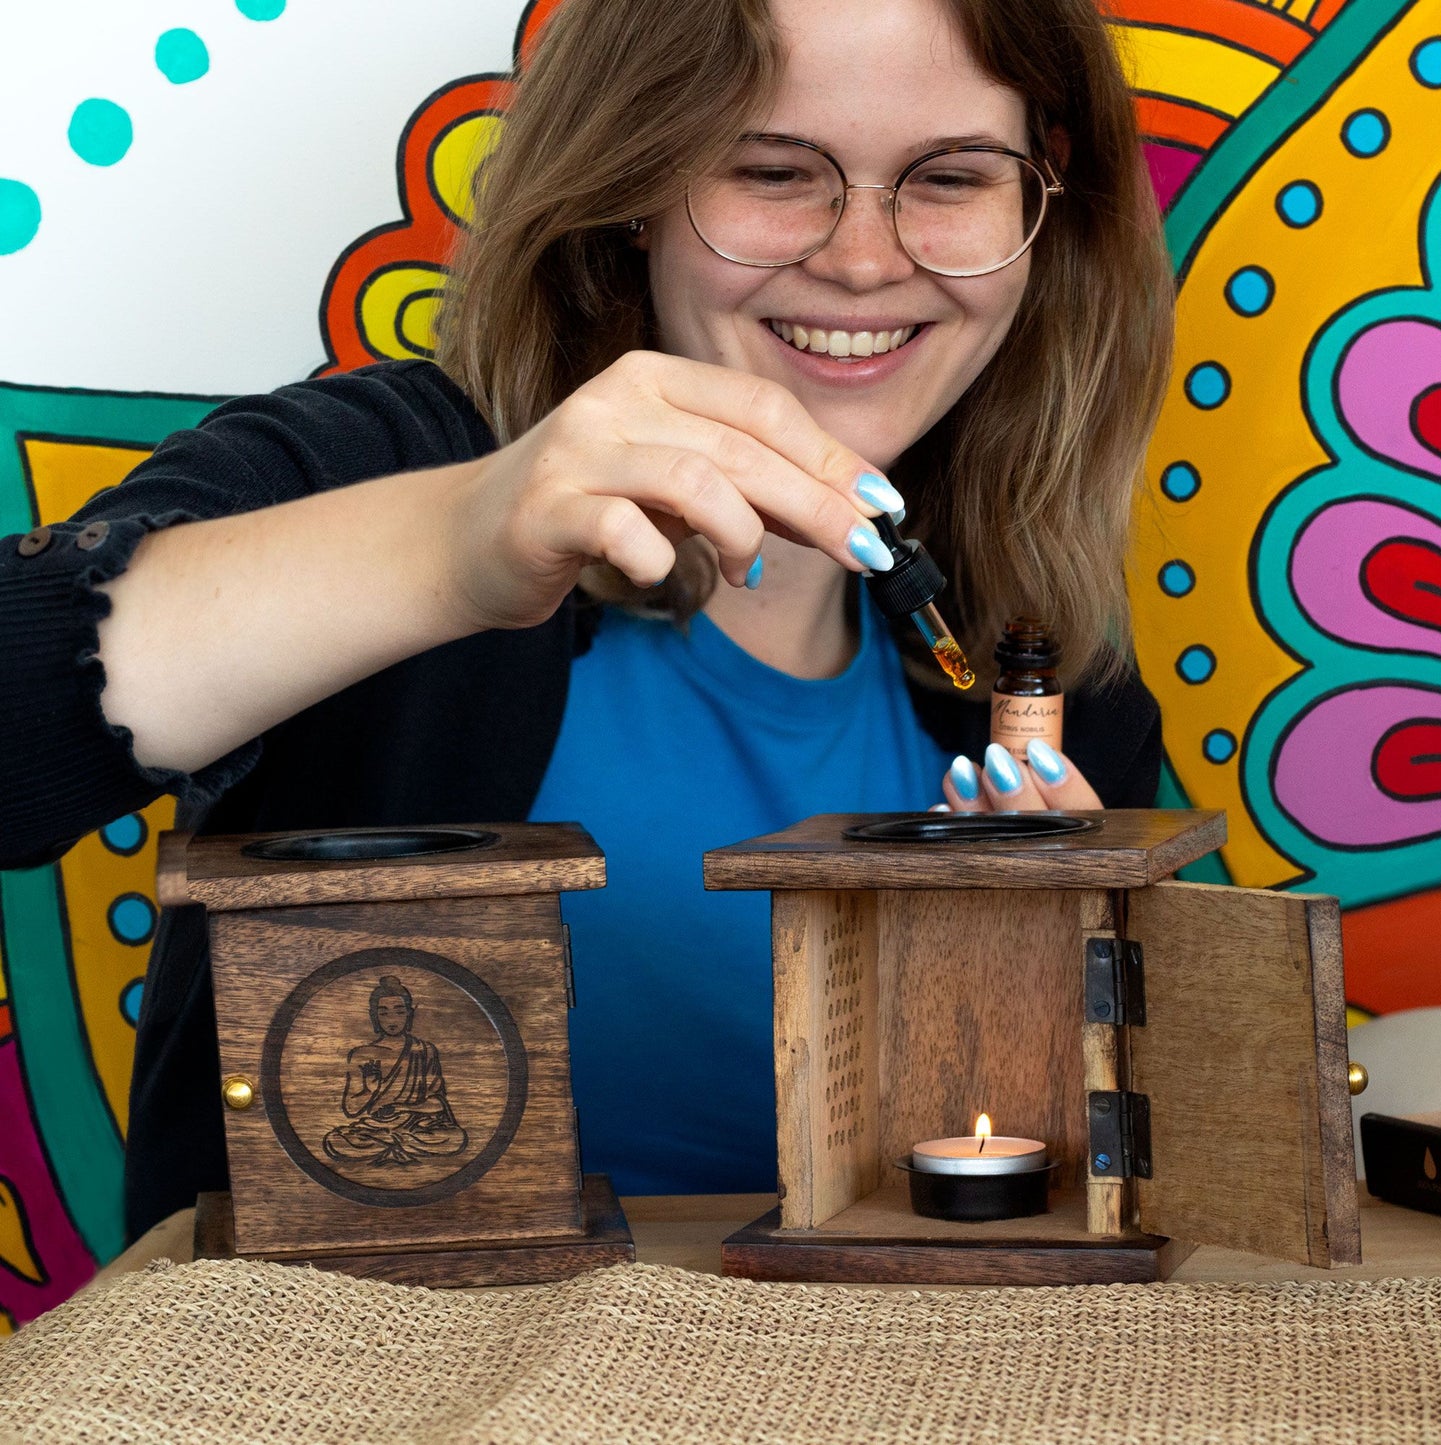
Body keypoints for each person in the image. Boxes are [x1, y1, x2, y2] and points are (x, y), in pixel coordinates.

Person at [0, 0, 1172, 1240]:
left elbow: (1078, 1195)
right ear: (632, 189)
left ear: (1045, 202)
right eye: (773, 172)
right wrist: (455, 545)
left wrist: (1046, 1011)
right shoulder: (378, 467)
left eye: (949, 179)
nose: (864, 262)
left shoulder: (1052, 674)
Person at [322, 977, 469, 1169]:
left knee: (455, 1138)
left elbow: (437, 1103)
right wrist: (371, 1090)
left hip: (416, 1125)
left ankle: (392, 1144)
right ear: (374, 1016)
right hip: (377, 1126)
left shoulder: (424, 1050)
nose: (392, 1020)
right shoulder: (361, 1054)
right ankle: (399, 1144)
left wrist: (402, 1108)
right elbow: (351, 1109)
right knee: (335, 1141)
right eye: (384, 1013)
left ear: (409, 1014)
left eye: (399, 1012)